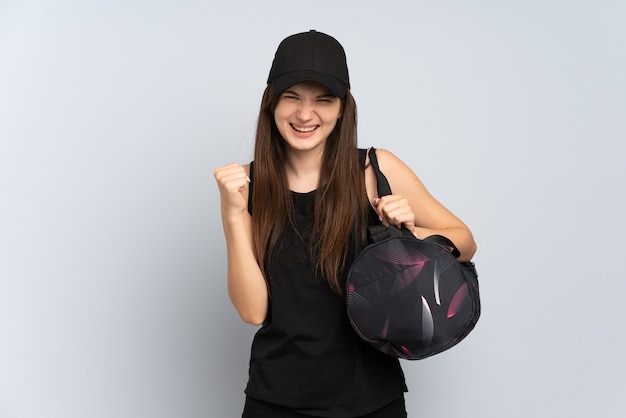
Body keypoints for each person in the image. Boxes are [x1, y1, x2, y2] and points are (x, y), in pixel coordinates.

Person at [214, 30, 477, 418]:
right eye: (292, 98)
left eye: (323, 100)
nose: (305, 115)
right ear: (271, 103)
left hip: (371, 400)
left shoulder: (376, 170)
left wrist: (410, 234)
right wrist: (233, 213)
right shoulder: (245, 187)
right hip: (276, 400)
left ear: (342, 109)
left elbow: (465, 241)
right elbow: (253, 312)